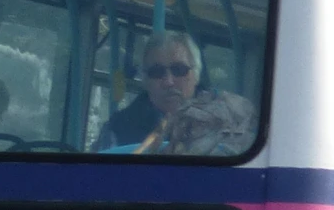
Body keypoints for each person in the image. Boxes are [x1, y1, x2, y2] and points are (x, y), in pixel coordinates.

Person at [94, 31, 255, 156]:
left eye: (179, 70)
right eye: (157, 72)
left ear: (197, 75)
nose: (169, 81)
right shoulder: (118, 129)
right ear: (145, 80)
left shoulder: (227, 120)